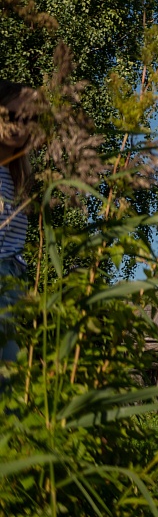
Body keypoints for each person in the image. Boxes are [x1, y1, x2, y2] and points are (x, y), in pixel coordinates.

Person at [0, 81, 39, 366]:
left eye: (28, 119)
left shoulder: (18, 177)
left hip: (12, 279)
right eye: (12, 116)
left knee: (12, 369)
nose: (19, 125)